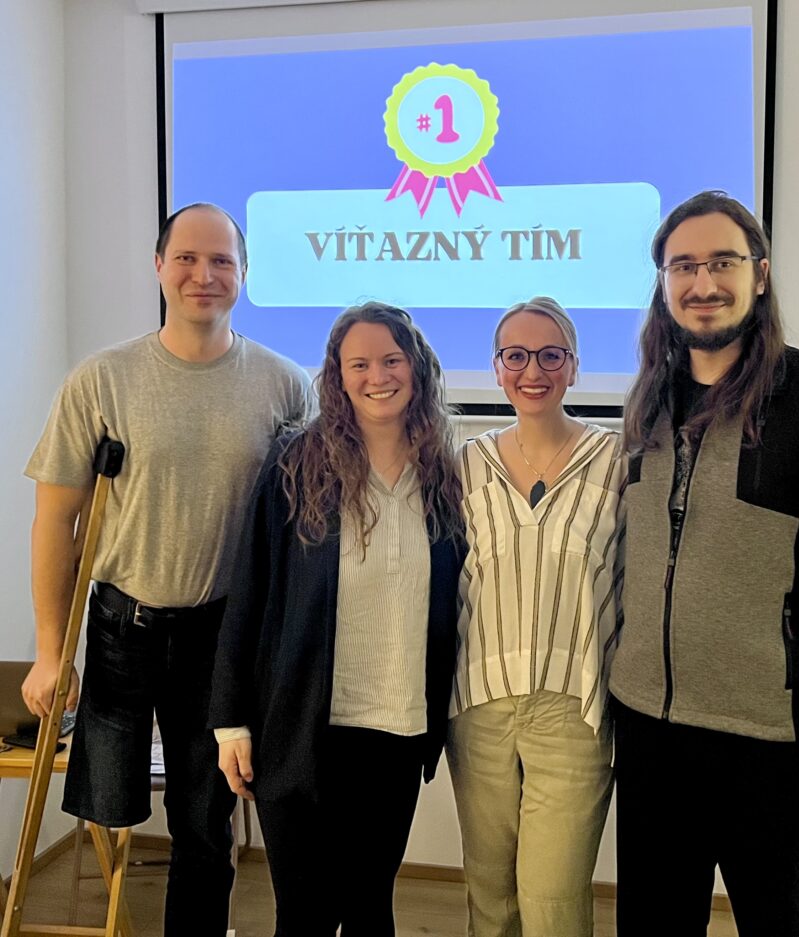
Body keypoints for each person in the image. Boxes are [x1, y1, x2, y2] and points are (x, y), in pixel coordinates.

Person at [610, 191, 799, 936]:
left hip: (775, 740)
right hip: (650, 732)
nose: (703, 282)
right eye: (683, 266)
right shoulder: (649, 401)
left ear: (761, 273)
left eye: (723, 262)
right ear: (663, 281)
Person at [21, 202, 311, 936]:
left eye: (221, 261)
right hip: (124, 626)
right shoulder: (102, 380)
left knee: (205, 823)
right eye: (186, 258)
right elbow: (57, 521)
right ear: (158, 266)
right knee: (109, 807)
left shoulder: (284, 385)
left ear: (244, 273)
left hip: (223, 637)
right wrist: (51, 652)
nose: (202, 275)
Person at [209, 302, 463, 937]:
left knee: (372, 908)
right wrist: (230, 722)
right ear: (338, 376)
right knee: (305, 915)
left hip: (397, 731)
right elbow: (250, 592)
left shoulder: (443, 476)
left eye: (391, 360)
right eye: (359, 364)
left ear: (417, 368)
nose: (378, 376)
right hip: (300, 729)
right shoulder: (296, 465)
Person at [447, 296, 624, 937]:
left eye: (551, 355)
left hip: (574, 707)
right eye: (516, 355)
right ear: (496, 367)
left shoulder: (617, 460)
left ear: (574, 366)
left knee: (553, 901)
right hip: (479, 705)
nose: (533, 371)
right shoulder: (466, 464)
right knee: (491, 896)